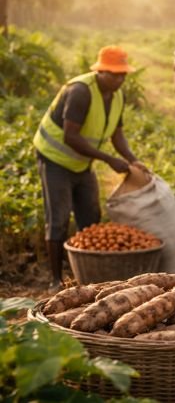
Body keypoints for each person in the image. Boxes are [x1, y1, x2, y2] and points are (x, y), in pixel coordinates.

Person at [33, 45, 148, 290]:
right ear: (100, 71)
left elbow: (117, 134)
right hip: (55, 159)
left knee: (90, 216)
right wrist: (108, 159)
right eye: (114, 74)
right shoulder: (80, 91)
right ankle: (56, 280)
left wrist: (132, 159)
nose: (120, 79)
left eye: (123, 75)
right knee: (58, 219)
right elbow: (70, 136)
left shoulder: (117, 96)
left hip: (82, 162)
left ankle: (86, 275)